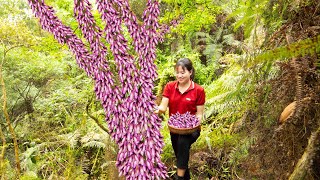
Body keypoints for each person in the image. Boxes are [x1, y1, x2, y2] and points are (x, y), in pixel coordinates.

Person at [156, 58, 205, 180]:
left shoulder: (199, 90)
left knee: (183, 142)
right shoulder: (170, 87)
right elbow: (163, 106)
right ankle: (184, 177)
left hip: (192, 130)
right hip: (175, 129)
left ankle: (178, 177)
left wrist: (193, 124)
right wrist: (156, 111)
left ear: (190, 72)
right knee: (181, 156)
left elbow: (199, 115)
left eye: (183, 72)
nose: (179, 75)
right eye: (177, 72)